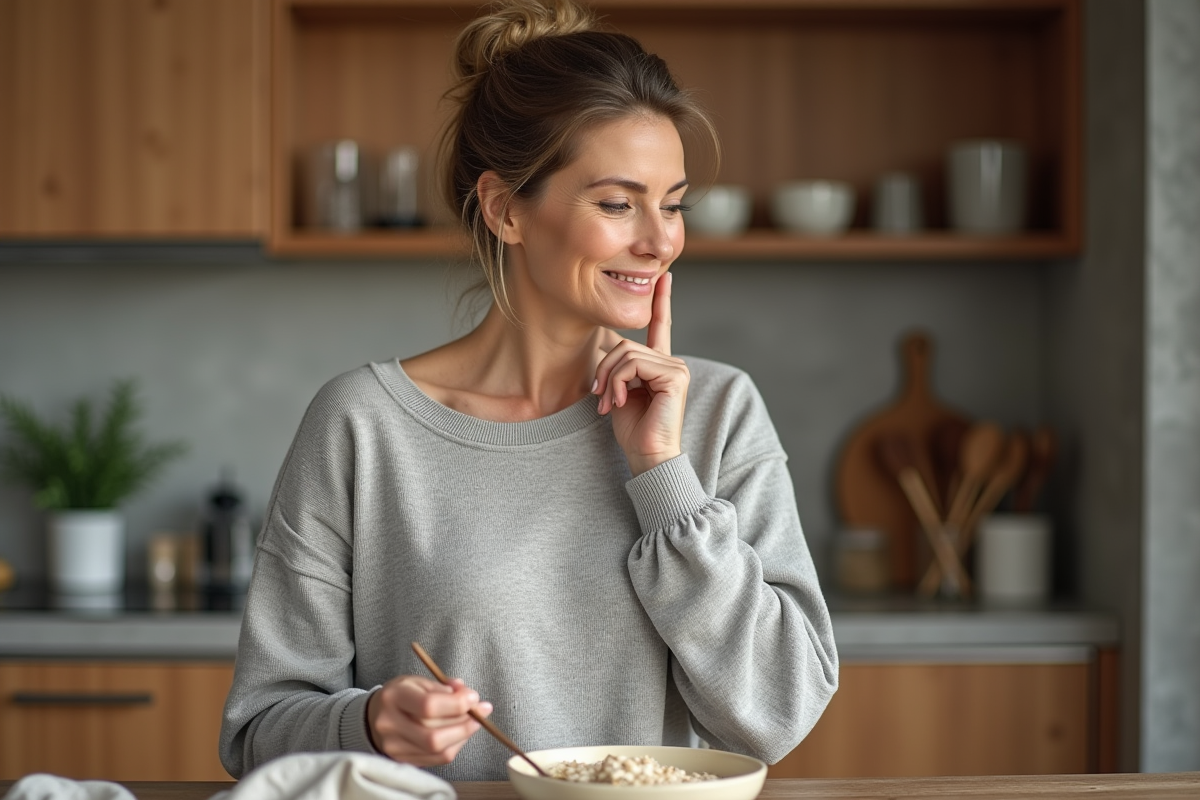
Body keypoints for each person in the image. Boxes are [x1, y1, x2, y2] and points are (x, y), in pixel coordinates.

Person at [219, 0, 837, 782]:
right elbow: (257, 731)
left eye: (674, 204)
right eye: (618, 203)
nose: (660, 240)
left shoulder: (714, 412)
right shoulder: (362, 426)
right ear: (506, 208)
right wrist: (372, 723)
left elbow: (779, 715)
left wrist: (663, 478)